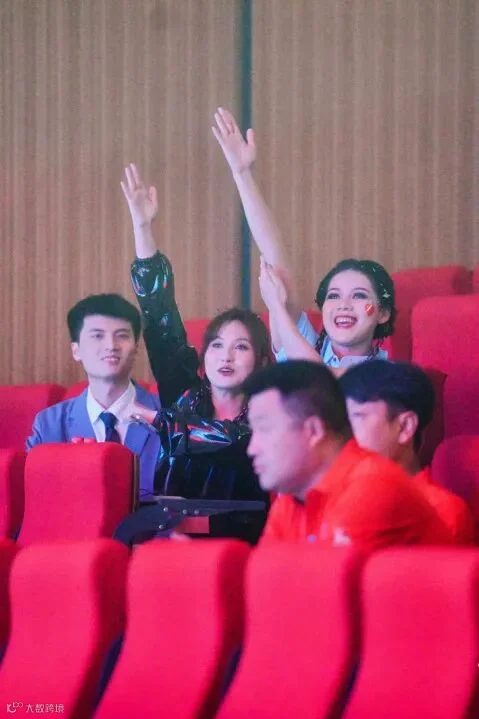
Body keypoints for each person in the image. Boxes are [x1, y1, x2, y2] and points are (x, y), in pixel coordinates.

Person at [120, 164, 271, 543]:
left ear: (262, 361)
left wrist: (164, 422)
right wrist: (142, 229)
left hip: (240, 542)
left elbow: (233, 440)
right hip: (173, 539)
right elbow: (160, 317)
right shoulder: (185, 395)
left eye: (241, 346)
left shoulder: (267, 413)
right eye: (217, 345)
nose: (226, 356)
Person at [212, 107, 396, 370]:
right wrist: (242, 174)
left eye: (358, 295)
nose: (343, 306)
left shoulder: (389, 374)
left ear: (383, 313)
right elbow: (277, 264)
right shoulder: (310, 344)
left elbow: (324, 381)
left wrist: (276, 307)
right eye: (333, 296)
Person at [242, 360, 452, 548]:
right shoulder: (291, 498)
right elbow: (265, 575)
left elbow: (324, 579)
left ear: (313, 431)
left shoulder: (373, 484)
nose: (252, 449)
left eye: (265, 429)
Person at [26, 293, 162, 496]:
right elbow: (34, 498)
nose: (111, 346)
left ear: (136, 349)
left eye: (122, 335)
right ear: (76, 350)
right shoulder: (49, 425)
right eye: (97, 336)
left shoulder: (167, 417)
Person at [339, 360, 475, 544]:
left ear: (405, 427)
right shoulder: (332, 500)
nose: (341, 434)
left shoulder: (442, 513)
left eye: (356, 418)